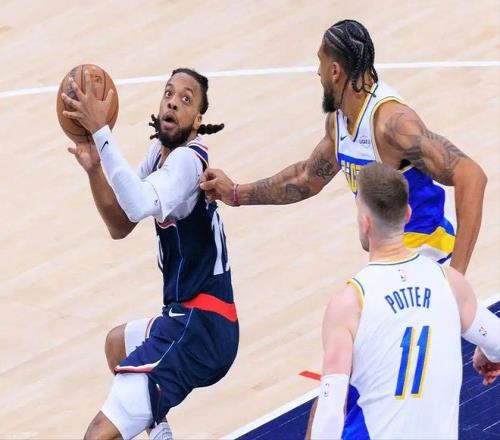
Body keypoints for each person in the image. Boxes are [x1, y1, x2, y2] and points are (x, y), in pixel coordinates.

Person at [200, 19, 487, 274]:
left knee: (350, 311)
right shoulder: (339, 122)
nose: (318, 72)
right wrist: (236, 193)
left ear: (335, 70)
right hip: (392, 259)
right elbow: (306, 178)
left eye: (320, 63)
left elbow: (471, 175)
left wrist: (457, 275)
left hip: (427, 256)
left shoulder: (391, 123)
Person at [61, 68, 239, 439]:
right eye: (169, 93)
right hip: (188, 319)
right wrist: (95, 169)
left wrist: (101, 131)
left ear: (198, 120)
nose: (173, 102)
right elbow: (120, 224)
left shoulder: (188, 162)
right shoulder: (161, 155)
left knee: (97, 434)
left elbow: (140, 203)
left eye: (186, 99)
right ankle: (159, 431)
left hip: (201, 327)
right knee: (117, 345)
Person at [308, 162, 499, 439]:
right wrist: (488, 353)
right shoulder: (450, 283)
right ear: (408, 213)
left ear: (365, 222)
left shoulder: (349, 304)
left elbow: (329, 411)